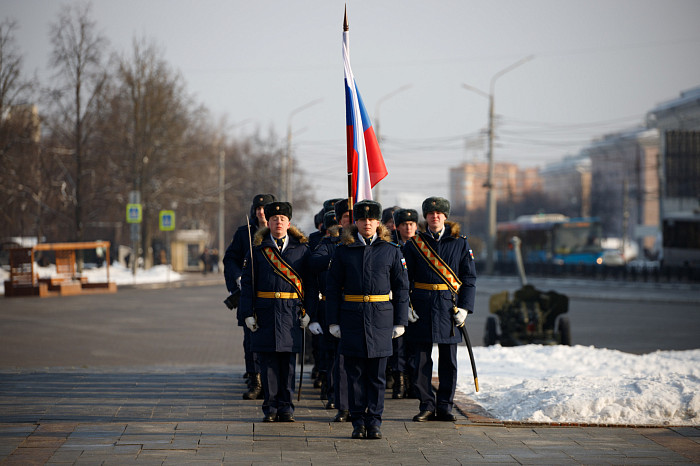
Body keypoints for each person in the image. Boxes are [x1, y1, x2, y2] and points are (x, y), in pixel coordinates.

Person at [326, 200, 410, 439]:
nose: (367, 224)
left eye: (372, 220)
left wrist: (400, 321)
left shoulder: (391, 250)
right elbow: (332, 288)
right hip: (351, 318)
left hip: (381, 319)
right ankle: (358, 421)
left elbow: (402, 288)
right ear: (357, 222)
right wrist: (333, 321)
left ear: (378, 223)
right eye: (362, 220)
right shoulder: (344, 251)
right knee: (354, 375)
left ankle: (374, 421)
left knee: (377, 376)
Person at [238, 201, 315, 422]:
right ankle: (270, 408)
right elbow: (248, 285)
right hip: (266, 313)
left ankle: (286, 407)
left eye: (282, 219)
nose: (278, 223)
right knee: (268, 363)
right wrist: (248, 314)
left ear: (288, 222)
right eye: (274, 219)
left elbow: (310, 285)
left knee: (288, 365)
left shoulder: (301, 250)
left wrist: (309, 312)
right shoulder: (258, 251)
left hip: (291, 313)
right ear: (268, 223)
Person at [402, 197, 476, 422]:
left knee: (448, 361)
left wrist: (465, 308)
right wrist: (406, 306)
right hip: (422, 304)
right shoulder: (414, 244)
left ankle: (445, 405)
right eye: (431, 213)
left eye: (439, 213)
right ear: (425, 217)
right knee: (420, 360)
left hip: (448, 307)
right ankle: (426, 404)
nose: (435, 216)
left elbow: (469, 278)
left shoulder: (460, 243)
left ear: (446, 216)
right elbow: (404, 279)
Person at [223, 193, 276, 400]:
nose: (261, 212)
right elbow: (230, 259)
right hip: (250, 295)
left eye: (265, 209)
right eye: (257, 209)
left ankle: (272, 382)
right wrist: (237, 277)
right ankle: (256, 382)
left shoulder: (281, 233)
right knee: (251, 340)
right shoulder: (244, 233)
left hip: (273, 296)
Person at [388, 208, 420, 399]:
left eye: (411, 224)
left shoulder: (423, 245)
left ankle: (413, 383)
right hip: (395, 300)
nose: (408, 228)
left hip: (417, 301)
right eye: (404, 225)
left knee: (415, 345)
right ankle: (399, 383)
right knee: (398, 345)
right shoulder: (391, 245)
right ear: (397, 227)